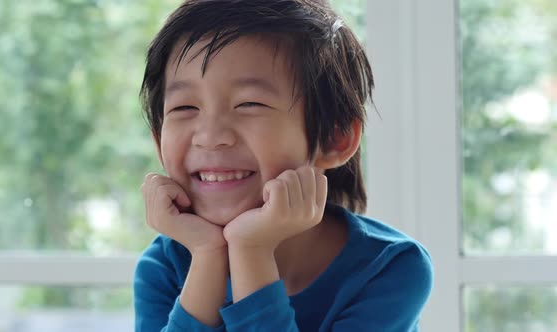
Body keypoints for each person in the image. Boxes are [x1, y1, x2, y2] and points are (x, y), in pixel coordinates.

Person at [134, 0, 433, 331]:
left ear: (336, 138)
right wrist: (208, 256)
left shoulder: (389, 269)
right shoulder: (164, 266)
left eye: (249, 103)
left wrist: (252, 251)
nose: (210, 136)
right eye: (185, 107)